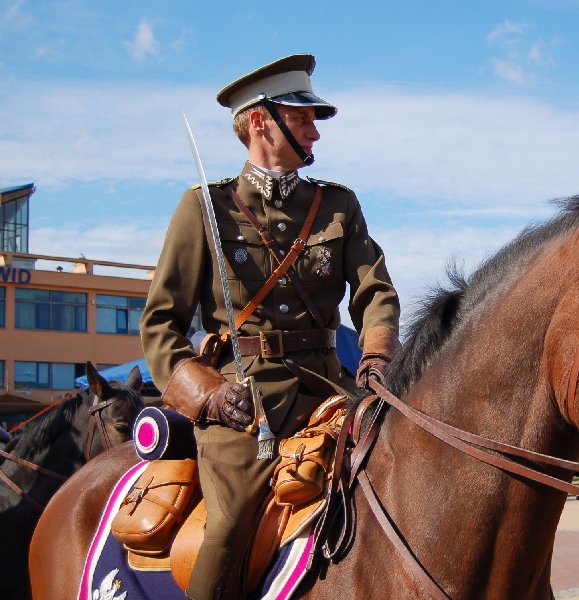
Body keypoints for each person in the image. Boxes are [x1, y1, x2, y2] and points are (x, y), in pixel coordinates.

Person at [140, 54, 401, 600]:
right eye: (302, 120)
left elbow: (375, 292)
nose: (314, 134)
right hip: (243, 403)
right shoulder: (204, 209)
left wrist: (376, 357)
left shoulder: (337, 206)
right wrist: (205, 395)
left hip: (331, 387)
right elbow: (161, 325)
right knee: (231, 524)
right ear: (261, 122)